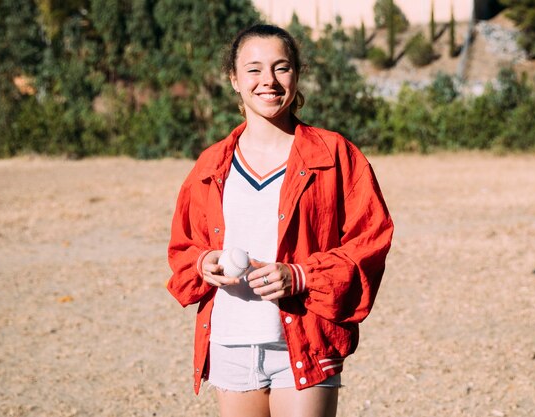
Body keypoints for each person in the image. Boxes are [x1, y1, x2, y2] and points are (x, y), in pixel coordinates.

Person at [167, 24, 393, 417]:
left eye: (281, 68)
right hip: (229, 340)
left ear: (297, 75)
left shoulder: (335, 154)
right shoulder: (210, 164)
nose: (267, 81)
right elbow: (184, 247)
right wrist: (204, 263)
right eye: (253, 69)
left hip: (303, 339)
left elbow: (371, 240)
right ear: (234, 80)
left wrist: (301, 276)